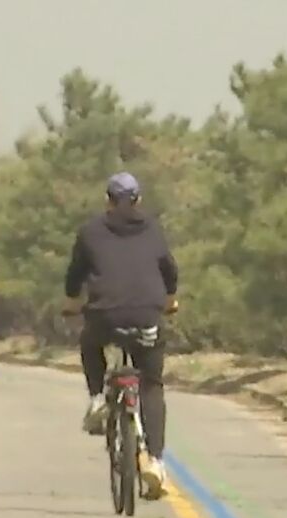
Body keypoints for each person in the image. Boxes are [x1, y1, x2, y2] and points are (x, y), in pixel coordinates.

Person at [63, 172, 178, 499]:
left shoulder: (89, 232)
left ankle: (98, 397)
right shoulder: (153, 229)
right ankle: (154, 460)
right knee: (152, 385)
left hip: (106, 316)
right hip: (147, 316)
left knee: (90, 340)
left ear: (108, 201)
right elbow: (169, 270)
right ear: (138, 200)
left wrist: (72, 302)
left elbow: (75, 275)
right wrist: (170, 299)